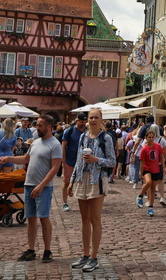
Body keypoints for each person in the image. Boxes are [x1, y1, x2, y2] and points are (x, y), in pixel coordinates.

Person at [0, 114, 62, 263]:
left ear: (49, 127)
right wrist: (8, 158)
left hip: (43, 187)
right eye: (37, 125)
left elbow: (54, 168)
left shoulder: (55, 144)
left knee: (44, 217)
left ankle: (47, 250)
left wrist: (41, 186)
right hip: (29, 185)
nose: (37, 128)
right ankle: (31, 250)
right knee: (31, 218)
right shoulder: (35, 143)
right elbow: (26, 159)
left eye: (40, 125)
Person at [68, 108, 116, 273]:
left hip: (97, 180)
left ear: (101, 120)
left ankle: (94, 257)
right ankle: (85, 254)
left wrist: (97, 160)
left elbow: (112, 161)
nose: (93, 120)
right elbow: (77, 161)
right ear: (87, 120)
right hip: (83, 178)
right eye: (91, 117)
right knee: (84, 219)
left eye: (96, 117)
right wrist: (71, 180)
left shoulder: (106, 138)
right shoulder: (83, 137)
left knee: (95, 218)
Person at [60, 113, 87, 212]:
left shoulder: (86, 132)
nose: (83, 124)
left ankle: (84, 201)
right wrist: (63, 161)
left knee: (83, 182)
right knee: (67, 182)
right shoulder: (69, 131)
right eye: (81, 122)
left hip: (82, 162)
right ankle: (64, 203)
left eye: (84, 122)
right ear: (77, 121)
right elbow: (63, 147)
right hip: (69, 161)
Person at [137, 126, 164, 217]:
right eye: (149, 137)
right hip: (147, 169)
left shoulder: (158, 146)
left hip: (156, 169)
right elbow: (142, 162)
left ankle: (150, 208)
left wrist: (163, 168)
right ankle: (140, 195)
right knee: (148, 182)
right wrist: (141, 172)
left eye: (152, 137)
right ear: (146, 138)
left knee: (152, 189)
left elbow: (161, 158)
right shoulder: (144, 149)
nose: (151, 139)